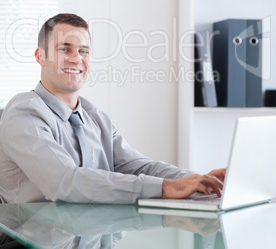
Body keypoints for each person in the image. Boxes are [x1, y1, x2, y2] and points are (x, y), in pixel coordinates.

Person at [0, 13, 225, 204]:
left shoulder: (95, 116)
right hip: (31, 240)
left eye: (83, 51)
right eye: (64, 49)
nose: (76, 59)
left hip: (89, 236)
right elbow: (65, 182)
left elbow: (137, 167)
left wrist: (198, 180)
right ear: (41, 56)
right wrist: (166, 187)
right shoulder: (24, 114)